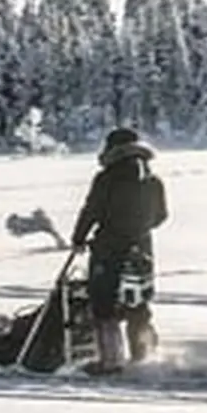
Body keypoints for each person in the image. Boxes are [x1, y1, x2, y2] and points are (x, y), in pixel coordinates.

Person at [70, 124, 168, 376]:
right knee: (138, 302)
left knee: (104, 303)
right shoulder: (153, 180)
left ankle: (110, 360)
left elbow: (92, 209)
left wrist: (79, 237)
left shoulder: (107, 178)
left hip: (109, 247)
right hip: (142, 248)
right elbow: (161, 216)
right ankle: (144, 355)